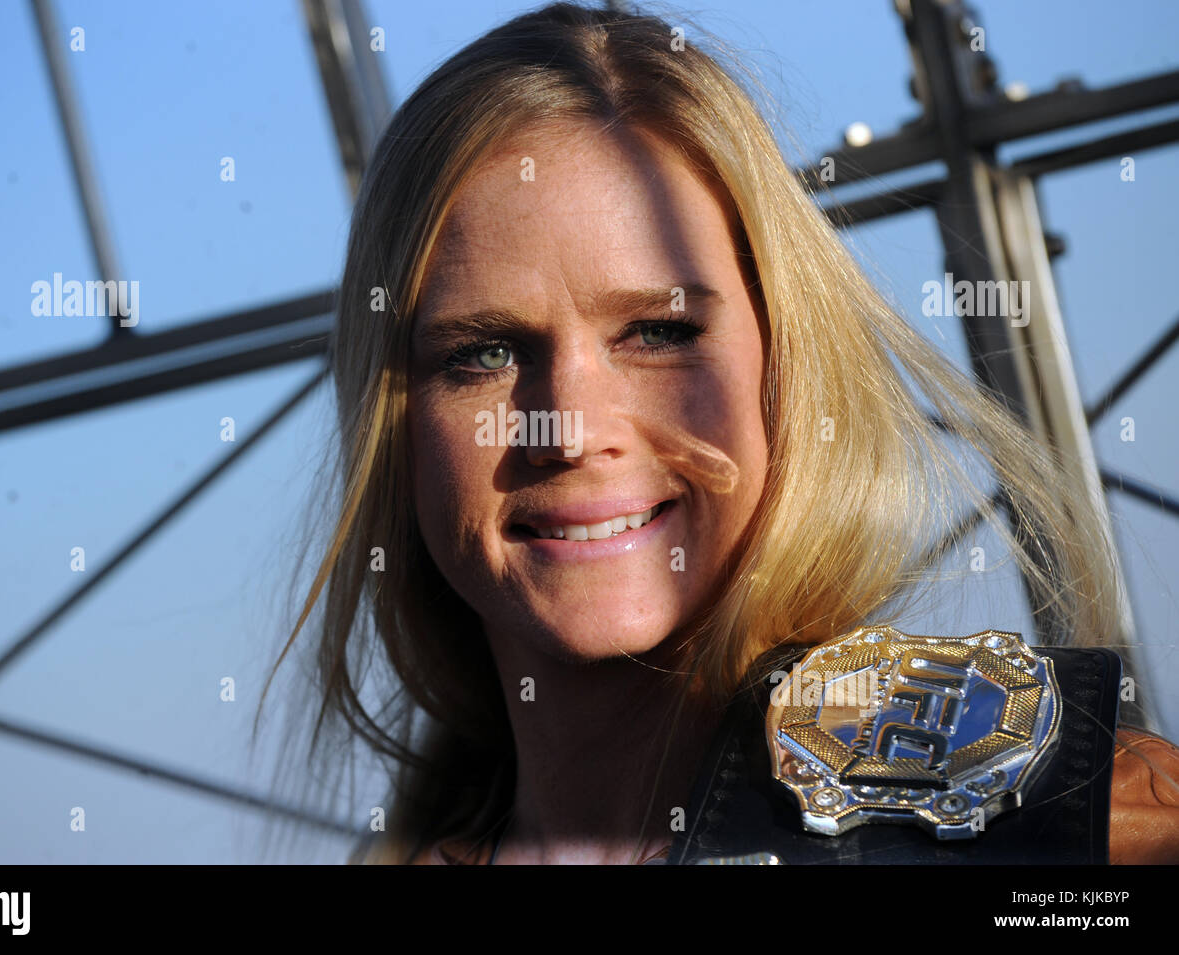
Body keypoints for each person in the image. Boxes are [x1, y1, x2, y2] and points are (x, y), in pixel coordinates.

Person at [261, 1, 1179, 864]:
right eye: (484, 352)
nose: (571, 430)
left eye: (659, 332)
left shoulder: (1073, 819)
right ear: (395, 421)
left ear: (785, 363)